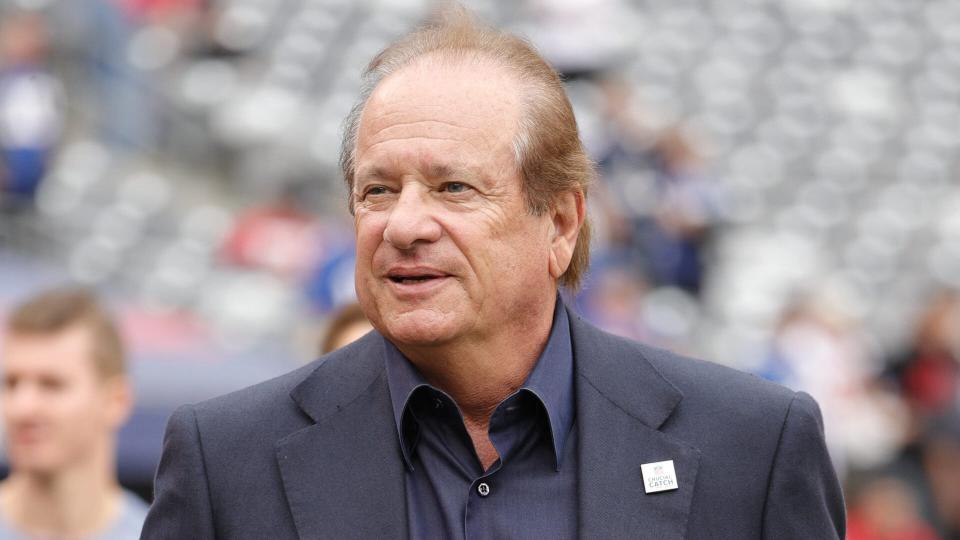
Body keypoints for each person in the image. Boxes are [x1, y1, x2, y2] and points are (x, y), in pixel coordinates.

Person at [142, 5, 844, 538]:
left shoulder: (751, 447)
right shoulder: (226, 461)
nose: (404, 225)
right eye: (377, 191)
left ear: (562, 224)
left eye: (453, 189)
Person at [0, 287, 148, 539]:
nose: (22, 407)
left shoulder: (157, 533)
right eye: (12, 383)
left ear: (116, 401)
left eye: (51, 384)